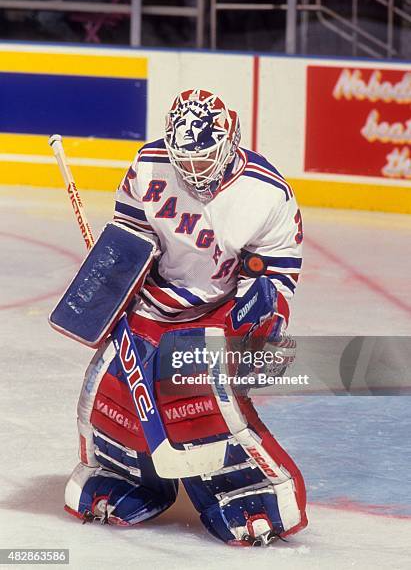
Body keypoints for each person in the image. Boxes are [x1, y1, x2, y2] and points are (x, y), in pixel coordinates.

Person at [62, 89, 307, 546]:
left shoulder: (267, 191)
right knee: (111, 392)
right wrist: (111, 283)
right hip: (153, 303)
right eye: (185, 160)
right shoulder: (150, 165)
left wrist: (264, 310)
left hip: (216, 311)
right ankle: (128, 481)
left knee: (199, 402)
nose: (194, 170)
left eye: (204, 158)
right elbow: (131, 237)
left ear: (230, 142)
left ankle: (252, 495)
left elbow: (277, 267)